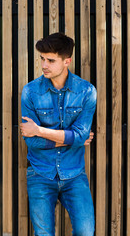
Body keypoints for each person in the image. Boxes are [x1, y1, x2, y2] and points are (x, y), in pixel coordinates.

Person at [20, 32, 96, 236]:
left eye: (51, 60)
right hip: (40, 173)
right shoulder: (30, 92)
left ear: (67, 61)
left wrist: (40, 131)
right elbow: (32, 143)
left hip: (74, 174)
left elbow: (80, 136)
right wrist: (73, 140)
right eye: (42, 59)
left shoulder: (87, 92)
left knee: (85, 232)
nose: (44, 65)